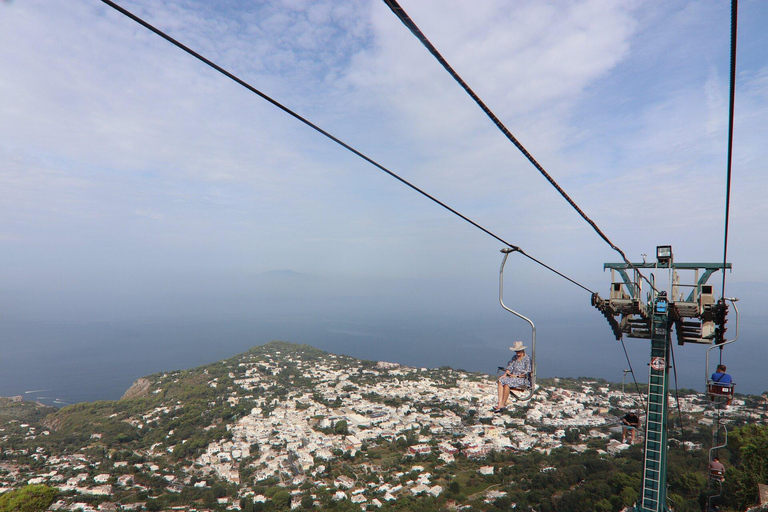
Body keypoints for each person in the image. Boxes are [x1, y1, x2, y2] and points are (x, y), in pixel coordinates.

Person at [493, 341, 532, 413]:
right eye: (516, 352)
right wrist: (505, 374)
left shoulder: (527, 359)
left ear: (522, 350)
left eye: (519, 351)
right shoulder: (514, 358)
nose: (517, 353)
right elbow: (510, 367)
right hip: (513, 378)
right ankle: (500, 404)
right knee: (501, 381)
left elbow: (527, 372)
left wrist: (516, 375)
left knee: (507, 383)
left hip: (522, 379)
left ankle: (502, 404)